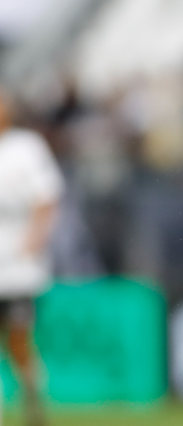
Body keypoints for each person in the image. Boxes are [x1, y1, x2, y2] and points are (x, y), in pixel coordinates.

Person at [0, 87, 63, 426]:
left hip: (17, 267)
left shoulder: (26, 147)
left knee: (17, 337)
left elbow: (47, 197)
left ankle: (32, 395)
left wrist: (34, 241)